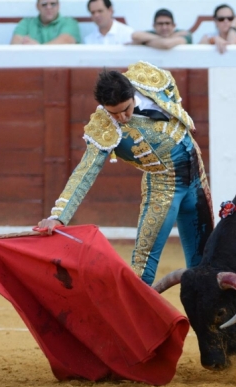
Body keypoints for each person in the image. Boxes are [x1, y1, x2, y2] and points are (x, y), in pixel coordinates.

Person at [37, 61, 213, 286]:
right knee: (143, 265)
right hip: (164, 186)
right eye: (114, 113)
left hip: (197, 176)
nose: (122, 118)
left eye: (126, 109)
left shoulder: (149, 77)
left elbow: (172, 95)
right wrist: (58, 216)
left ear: (132, 93)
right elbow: (85, 172)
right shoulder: (103, 127)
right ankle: (135, 319)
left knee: (205, 258)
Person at [10, 0, 80, 45]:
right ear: (37, 6)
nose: (49, 7)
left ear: (58, 6)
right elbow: (15, 43)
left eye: (53, 4)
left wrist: (36, 48)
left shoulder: (70, 23)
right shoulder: (26, 23)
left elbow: (65, 41)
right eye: (44, 4)